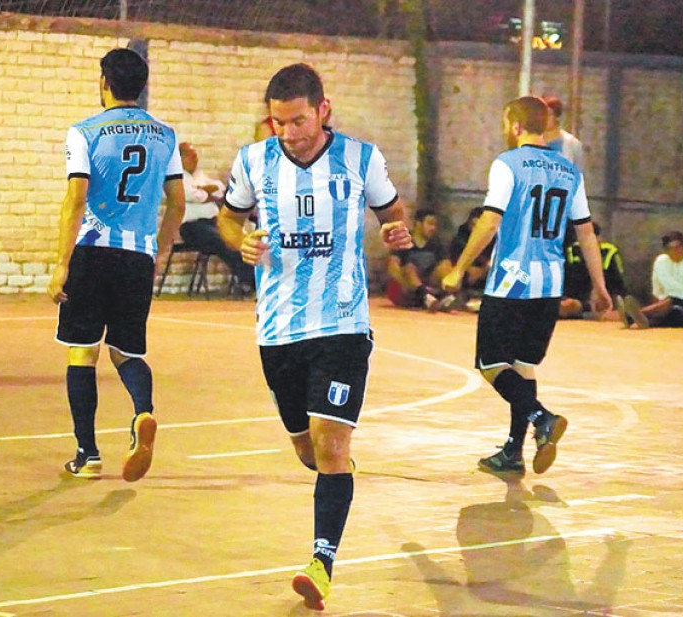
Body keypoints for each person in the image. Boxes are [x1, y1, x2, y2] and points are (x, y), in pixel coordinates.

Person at [218, 63, 412, 611]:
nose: (288, 133)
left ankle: (321, 563)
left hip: (342, 324)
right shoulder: (252, 161)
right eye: (277, 122)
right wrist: (239, 241)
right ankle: (336, 475)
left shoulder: (361, 158)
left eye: (298, 121)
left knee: (330, 445)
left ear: (323, 110)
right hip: (278, 330)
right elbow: (229, 219)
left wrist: (395, 230)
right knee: (308, 450)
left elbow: (393, 213)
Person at [442, 96, 611, 477]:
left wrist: (460, 268)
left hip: (512, 281)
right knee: (523, 365)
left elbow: (490, 221)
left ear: (515, 125)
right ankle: (513, 451)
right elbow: (585, 232)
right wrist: (599, 286)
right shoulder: (569, 171)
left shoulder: (508, 163)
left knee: (490, 363)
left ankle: (541, 418)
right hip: (550, 284)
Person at [47, 48, 185, 481]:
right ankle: (143, 412)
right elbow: (177, 204)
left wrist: (61, 263)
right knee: (127, 350)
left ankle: (87, 455)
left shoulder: (84, 132)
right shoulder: (166, 136)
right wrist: (159, 251)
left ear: (104, 82)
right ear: (140, 87)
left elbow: (76, 198)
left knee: (82, 352)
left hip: (92, 252)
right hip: (137, 256)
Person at [179, 142, 255, 292]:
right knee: (223, 241)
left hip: (213, 222)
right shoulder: (178, 178)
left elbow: (220, 190)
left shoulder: (200, 175)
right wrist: (206, 193)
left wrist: (203, 190)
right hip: (191, 227)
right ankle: (248, 281)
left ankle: (251, 279)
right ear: (181, 158)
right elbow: (193, 196)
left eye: (196, 156)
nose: (195, 160)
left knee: (237, 238)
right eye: (191, 156)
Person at [617, 231, 683, 329]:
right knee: (670, 308)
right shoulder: (660, 262)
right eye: (670, 249)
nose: (675, 251)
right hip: (666, 305)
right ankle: (641, 320)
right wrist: (658, 308)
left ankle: (634, 317)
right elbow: (657, 293)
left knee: (675, 308)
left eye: (678, 247)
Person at [386, 209, 457, 311]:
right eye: (430, 224)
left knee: (445, 266)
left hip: (429, 285)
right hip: (407, 287)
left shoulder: (437, 243)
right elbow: (392, 265)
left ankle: (443, 296)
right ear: (418, 224)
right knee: (409, 268)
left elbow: (446, 265)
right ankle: (424, 296)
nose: (433, 228)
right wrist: (405, 283)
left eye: (435, 225)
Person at [561, 222, 627, 320]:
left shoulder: (608, 252)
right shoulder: (568, 251)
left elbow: (618, 287)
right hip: (576, 302)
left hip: (603, 301)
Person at [448, 206, 494, 310]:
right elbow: (453, 258)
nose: (475, 229)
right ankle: (454, 298)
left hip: (485, 275)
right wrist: (465, 269)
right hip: (464, 275)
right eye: (473, 225)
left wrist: (482, 270)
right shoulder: (460, 239)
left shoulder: (493, 240)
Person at [542, 94, 585, 172]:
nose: (544, 119)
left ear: (556, 116)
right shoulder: (531, 142)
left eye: (548, 115)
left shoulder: (572, 143)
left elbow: (579, 172)